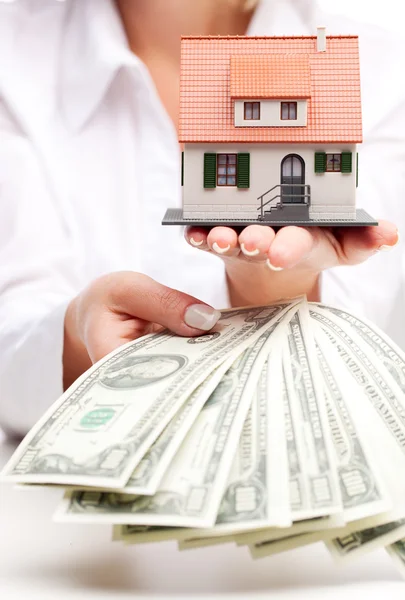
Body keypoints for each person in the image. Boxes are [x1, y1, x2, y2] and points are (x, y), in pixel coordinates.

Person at [0, 0, 403, 436]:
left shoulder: (378, 63)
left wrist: (272, 284)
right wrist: (78, 339)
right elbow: (11, 351)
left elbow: (347, 380)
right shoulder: (13, 58)